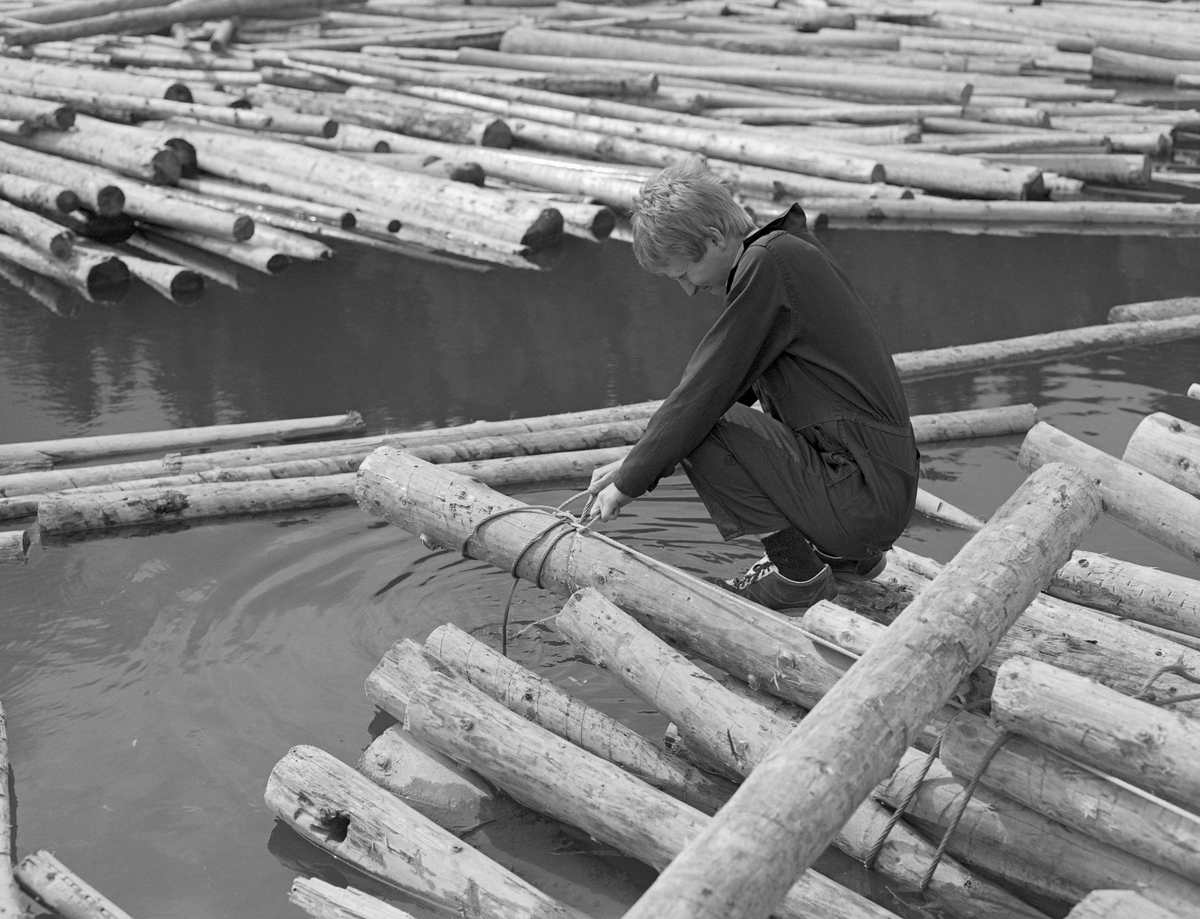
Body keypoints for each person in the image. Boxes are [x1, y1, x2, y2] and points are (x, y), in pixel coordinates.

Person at [584, 156, 919, 614]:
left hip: (863, 499)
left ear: (715, 239)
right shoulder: (786, 251)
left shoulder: (767, 264)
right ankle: (839, 555)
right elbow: (730, 383)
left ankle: (796, 572)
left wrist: (627, 486)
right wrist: (632, 461)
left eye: (684, 274)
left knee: (706, 424)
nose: (688, 290)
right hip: (878, 489)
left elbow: (703, 394)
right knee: (702, 418)